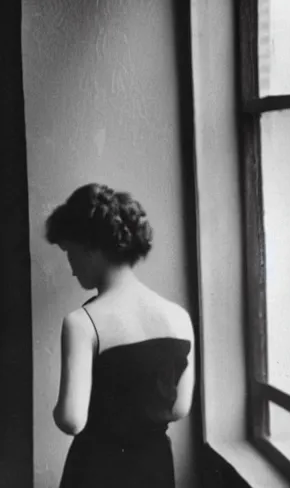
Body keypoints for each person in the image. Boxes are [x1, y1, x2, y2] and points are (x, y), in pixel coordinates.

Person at [44, 183, 195, 488]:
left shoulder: (82, 322)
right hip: (155, 470)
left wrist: (58, 410)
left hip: (98, 472)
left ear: (90, 248)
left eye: (69, 252)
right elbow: (179, 408)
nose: (71, 267)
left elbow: (72, 420)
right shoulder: (179, 317)